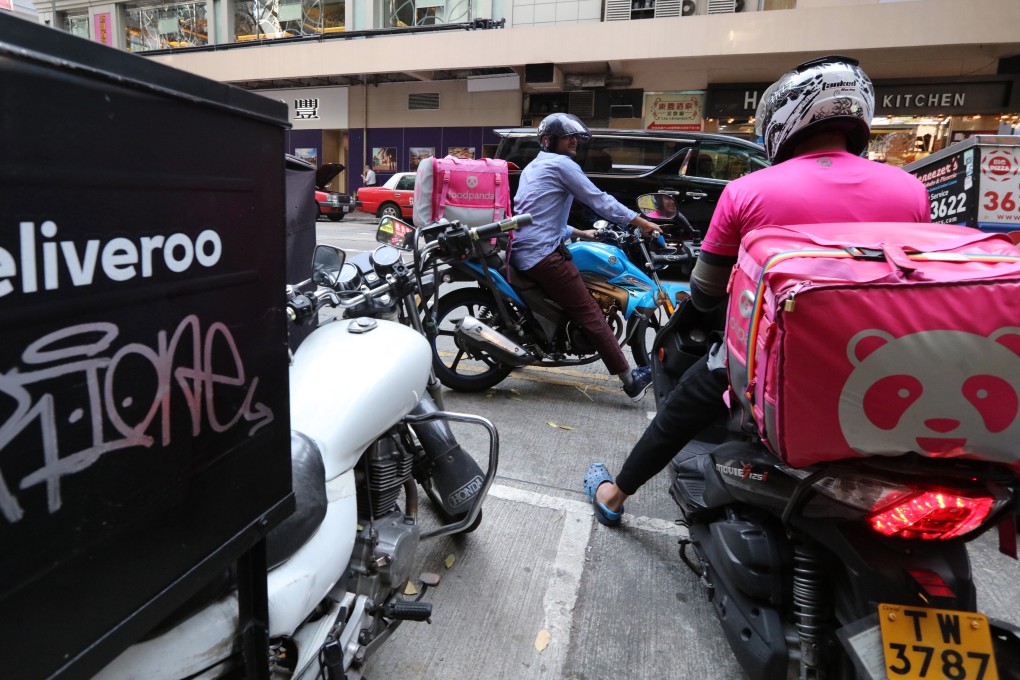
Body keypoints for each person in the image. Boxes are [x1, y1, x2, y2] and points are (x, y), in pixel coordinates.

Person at [584, 56, 932, 526]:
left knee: (684, 404)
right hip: (885, 356)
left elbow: (705, 292)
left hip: (777, 359)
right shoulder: (910, 190)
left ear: (784, 119)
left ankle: (614, 496)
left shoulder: (749, 190)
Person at [513, 112, 664, 402]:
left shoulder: (535, 166)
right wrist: (641, 222)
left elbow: (539, 216)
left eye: (575, 137)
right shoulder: (561, 165)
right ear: (549, 140)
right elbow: (599, 199)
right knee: (589, 312)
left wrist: (580, 233)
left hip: (524, 249)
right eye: (567, 137)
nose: (574, 142)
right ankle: (630, 379)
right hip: (544, 254)